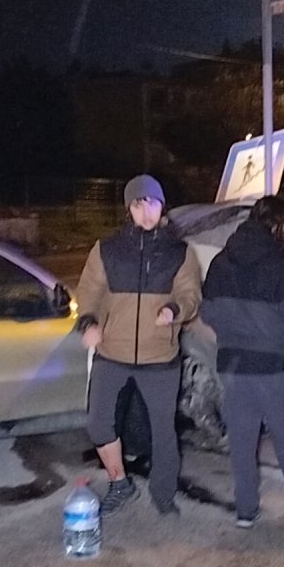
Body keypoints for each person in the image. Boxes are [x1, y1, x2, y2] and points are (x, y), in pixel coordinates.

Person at [199, 196, 284, 528]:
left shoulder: (221, 262)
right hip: (274, 366)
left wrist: (235, 332)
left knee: (242, 439)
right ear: (277, 224)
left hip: (232, 364)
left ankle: (246, 510)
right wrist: (277, 335)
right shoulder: (283, 266)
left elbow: (208, 311)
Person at [75, 174, 203, 517]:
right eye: (138, 204)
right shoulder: (107, 249)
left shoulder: (180, 252)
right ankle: (120, 482)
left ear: (163, 207)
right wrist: (86, 322)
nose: (145, 211)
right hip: (110, 353)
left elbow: (191, 295)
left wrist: (174, 310)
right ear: (128, 209)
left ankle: (164, 494)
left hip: (160, 356)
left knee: (163, 431)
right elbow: (87, 292)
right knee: (99, 424)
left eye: (152, 203)